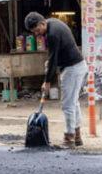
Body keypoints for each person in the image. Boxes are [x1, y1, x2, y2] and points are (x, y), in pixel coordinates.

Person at [25, 11, 88, 148]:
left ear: (42, 23)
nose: (37, 34)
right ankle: (77, 137)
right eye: (34, 32)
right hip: (77, 66)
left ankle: (69, 138)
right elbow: (54, 54)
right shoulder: (53, 23)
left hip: (72, 68)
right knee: (73, 102)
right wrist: (51, 61)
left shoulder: (52, 34)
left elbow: (54, 59)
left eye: (37, 30)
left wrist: (47, 82)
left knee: (67, 104)